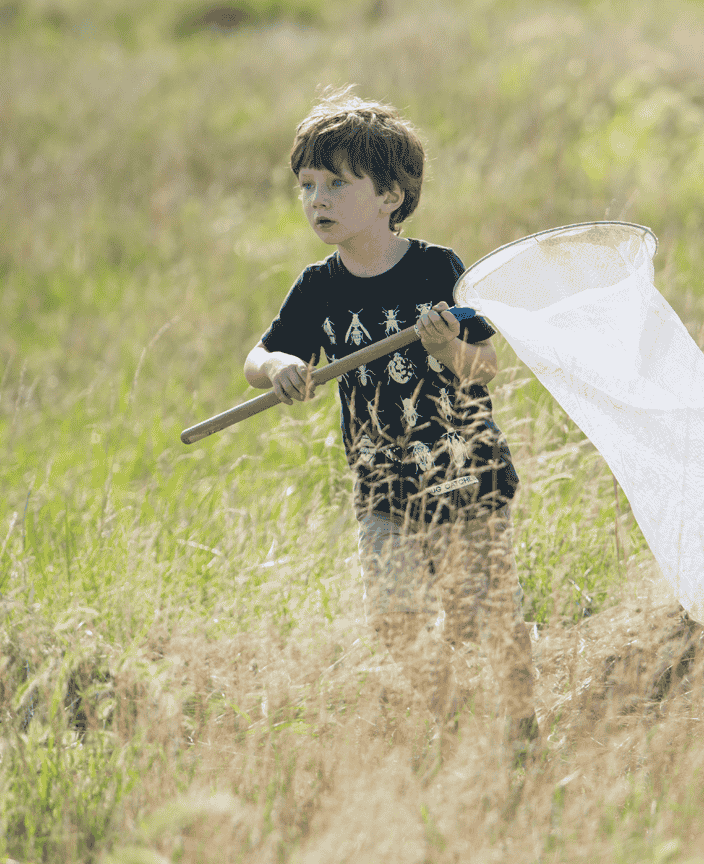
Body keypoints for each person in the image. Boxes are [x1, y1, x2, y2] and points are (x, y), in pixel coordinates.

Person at [243, 86, 536, 764]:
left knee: (481, 619)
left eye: (337, 183)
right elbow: (258, 355)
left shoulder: (438, 269)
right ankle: (441, 732)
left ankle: (520, 735)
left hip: (465, 472)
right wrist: (282, 365)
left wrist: (444, 350)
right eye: (307, 184)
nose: (317, 198)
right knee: (396, 623)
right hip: (381, 483)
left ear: (390, 197)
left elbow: (484, 366)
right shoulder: (318, 287)